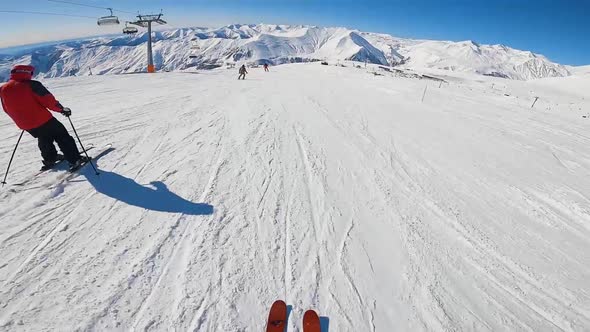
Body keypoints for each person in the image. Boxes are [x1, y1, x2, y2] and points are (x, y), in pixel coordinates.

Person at [0, 65, 86, 171]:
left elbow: (6, 109)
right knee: (62, 136)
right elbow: (48, 101)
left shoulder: (3, 88)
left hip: (25, 124)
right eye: (31, 73)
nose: (32, 75)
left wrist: (22, 119)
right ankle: (74, 160)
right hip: (43, 120)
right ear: (26, 73)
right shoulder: (32, 85)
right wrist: (62, 109)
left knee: (44, 137)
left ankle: (50, 158)